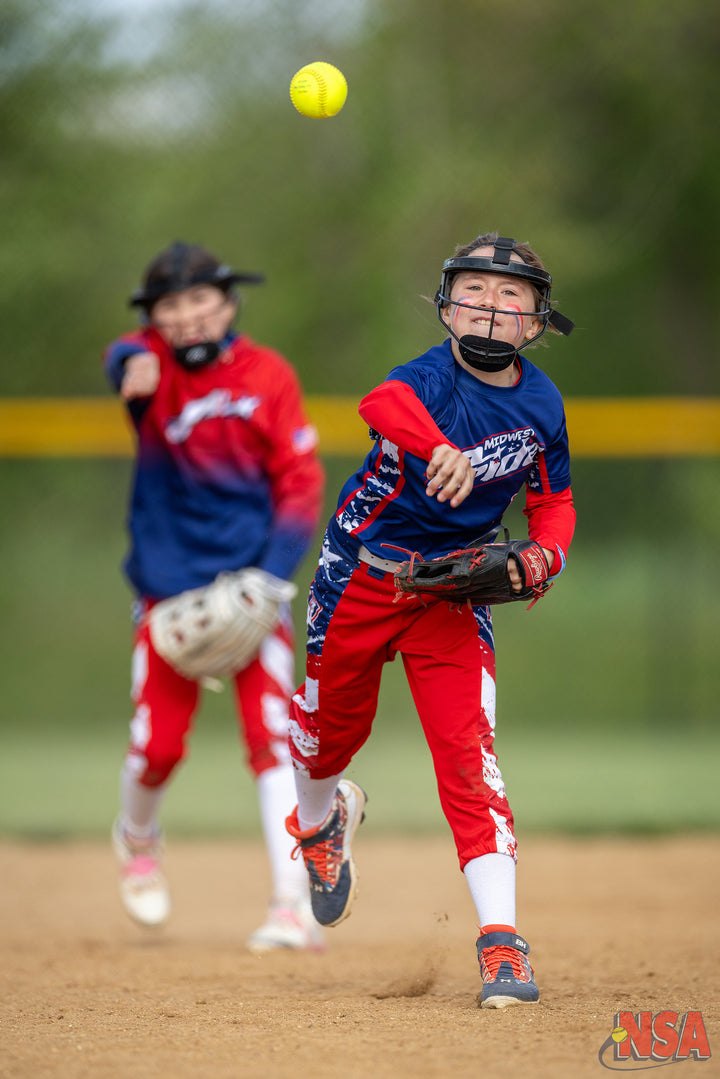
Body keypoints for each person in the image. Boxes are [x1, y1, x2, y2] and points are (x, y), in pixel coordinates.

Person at [284, 232, 576, 1006]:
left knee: (468, 757)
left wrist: (548, 555)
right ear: (447, 304)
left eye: (510, 296)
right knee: (323, 740)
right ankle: (320, 825)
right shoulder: (427, 378)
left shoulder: (543, 403)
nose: (490, 306)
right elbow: (380, 402)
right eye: (475, 290)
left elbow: (553, 500)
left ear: (536, 320)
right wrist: (439, 445)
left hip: (452, 594)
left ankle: (502, 943)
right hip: (362, 576)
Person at [104, 241, 325, 952]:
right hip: (168, 593)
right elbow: (123, 354)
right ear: (156, 320)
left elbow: (299, 482)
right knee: (157, 746)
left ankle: (291, 904)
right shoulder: (149, 365)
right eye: (170, 305)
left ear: (228, 304)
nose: (187, 315)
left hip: (252, 586)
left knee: (273, 741)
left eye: (201, 300)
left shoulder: (268, 374)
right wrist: (126, 365)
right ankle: (138, 835)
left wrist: (272, 572)